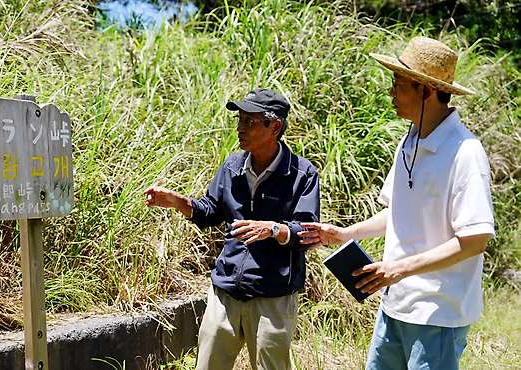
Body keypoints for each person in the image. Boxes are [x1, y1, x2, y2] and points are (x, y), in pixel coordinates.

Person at [300, 37, 495, 370]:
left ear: (426, 91)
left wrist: (398, 269)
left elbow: (475, 239)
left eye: (399, 84)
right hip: (394, 305)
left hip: (438, 314)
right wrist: (345, 234)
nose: (391, 92)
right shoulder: (410, 140)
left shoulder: (465, 152)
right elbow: (397, 211)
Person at [145, 88, 320, 370]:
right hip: (226, 290)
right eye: (239, 120)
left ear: (274, 126)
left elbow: (308, 232)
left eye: (249, 122)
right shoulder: (232, 166)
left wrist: (274, 230)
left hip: (272, 296)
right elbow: (209, 211)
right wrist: (178, 202)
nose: (240, 128)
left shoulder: (302, 174)